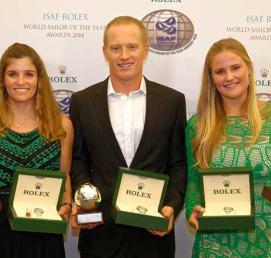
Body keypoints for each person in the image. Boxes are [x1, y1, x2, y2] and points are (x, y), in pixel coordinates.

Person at [69, 16, 187, 258]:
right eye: (116, 48)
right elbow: (78, 161)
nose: (124, 56)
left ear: (145, 49)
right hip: (99, 235)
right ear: (105, 52)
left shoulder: (173, 101)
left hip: (153, 237)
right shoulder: (82, 102)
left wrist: (171, 207)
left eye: (132, 47)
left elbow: (178, 164)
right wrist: (85, 199)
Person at [185, 38, 271, 257]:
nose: (229, 77)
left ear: (250, 69)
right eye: (220, 71)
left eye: (235, 68)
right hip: (215, 244)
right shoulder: (198, 125)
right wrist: (192, 208)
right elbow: (195, 179)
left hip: (270, 242)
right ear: (211, 78)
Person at [0, 43, 73, 258]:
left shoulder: (61, 126)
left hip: (44, 232)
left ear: (39, 80)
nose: (21, 82)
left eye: (29, 74)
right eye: (13, 74)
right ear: (2, 81)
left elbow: (64, 175)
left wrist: (66, 204)